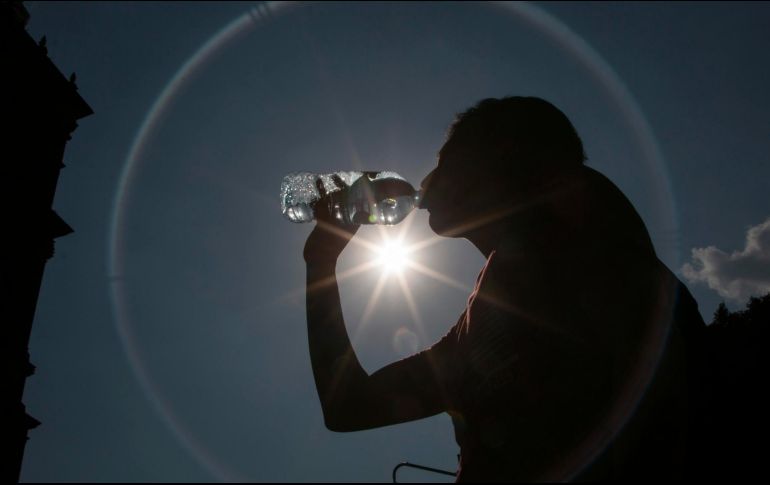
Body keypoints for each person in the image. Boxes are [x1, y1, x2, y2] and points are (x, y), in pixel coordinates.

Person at [302, 97, 706, 482]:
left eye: (445, 163)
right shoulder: (469, 338)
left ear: (501, 165)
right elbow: (349, 407)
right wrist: (321, 263)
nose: (428, 182)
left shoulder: (603, 254)